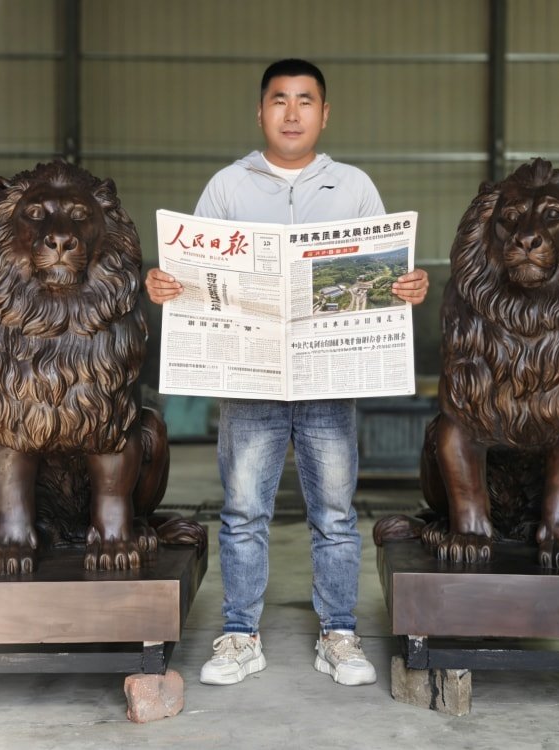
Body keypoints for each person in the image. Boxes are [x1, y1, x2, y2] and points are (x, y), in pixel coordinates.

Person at [146, 58, 429, 687]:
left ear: (325, 114)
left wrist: (407, 284)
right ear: (261, 111)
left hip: (328, 383)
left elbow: (385, 272)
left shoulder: (354, 187)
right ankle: (240, 634)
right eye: (280, 100)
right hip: (251, 385)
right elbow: (191, 275)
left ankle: (340, 634)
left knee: (334, 512)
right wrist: (165, 282)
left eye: (306, 101)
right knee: (245, 511)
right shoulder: (227, 187)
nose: (293, 112)